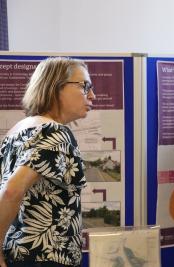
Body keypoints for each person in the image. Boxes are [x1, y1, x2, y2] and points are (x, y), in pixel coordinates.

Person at [0, 57, 96, 267]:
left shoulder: (18, 130)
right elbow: (11, 191)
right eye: (84, 86)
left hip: (19, 254)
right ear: (55, 87)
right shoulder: (54, 132)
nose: (92, 95)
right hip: (45, 258)